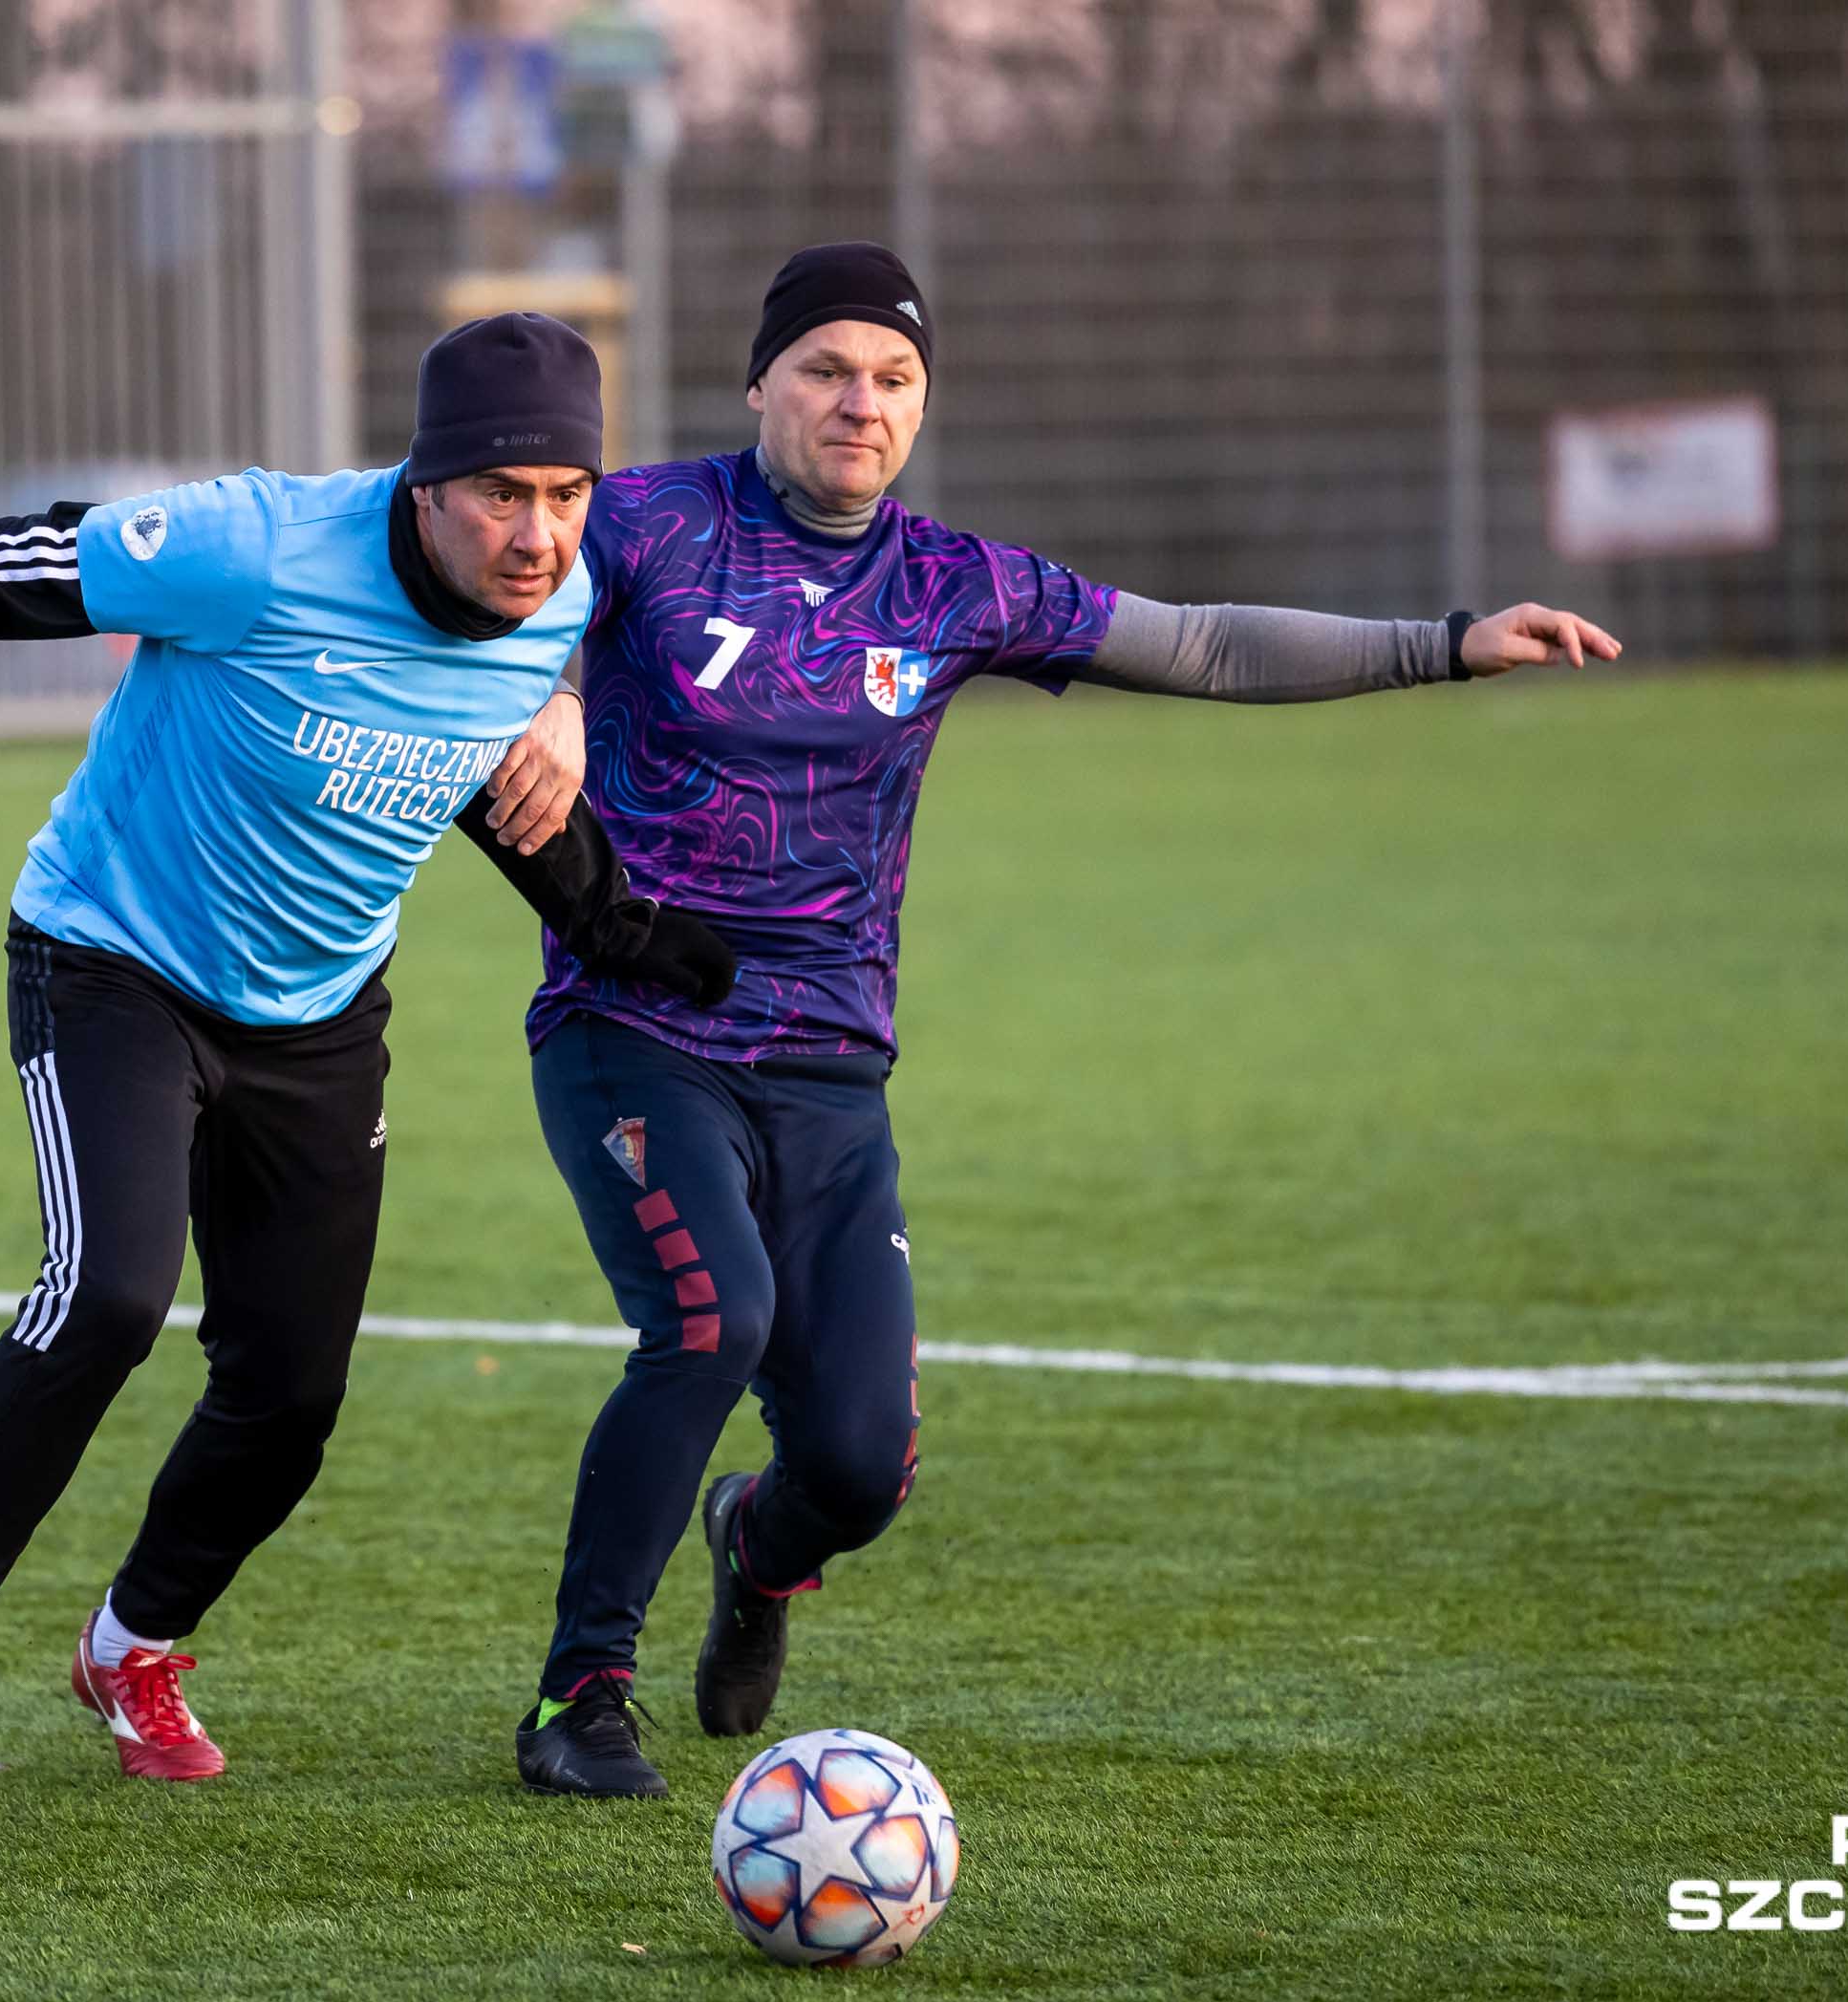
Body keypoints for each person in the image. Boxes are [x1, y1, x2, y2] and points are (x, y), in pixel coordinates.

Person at [491, 243, 1622, 1797]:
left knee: (860, 1467)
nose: (861, 403)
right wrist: (545, 690)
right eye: (826, 370)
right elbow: (484, 595)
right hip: (636, 1026)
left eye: (895, 379)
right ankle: (581, 1700)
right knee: (709, 1320)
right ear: (758, 383)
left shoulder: (954, 585)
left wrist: (1446, 643)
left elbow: (1201, 641)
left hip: (831, 1069)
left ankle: (757, 1546)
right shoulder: (639, 524)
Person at [0, 313, 736, 1796]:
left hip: (320, 1018)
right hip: (112, 961)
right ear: (425, 481)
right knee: (107, 1294)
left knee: (289, 1399)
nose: (537, 534)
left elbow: (473, 769)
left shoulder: (558, 604)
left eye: (566, 495)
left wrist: (617, 923)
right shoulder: (256, 548)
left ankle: (132, 1646)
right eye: (501, 493)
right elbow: (0, 566)